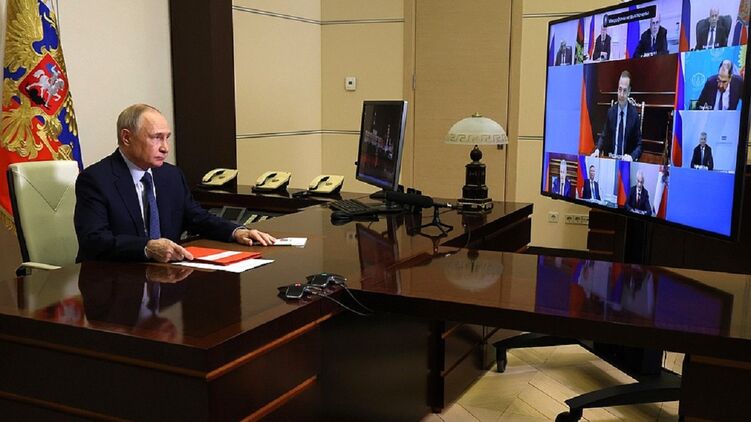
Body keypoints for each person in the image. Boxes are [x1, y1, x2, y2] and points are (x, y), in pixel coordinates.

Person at [74, 104, 276, 263]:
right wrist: (146, 247)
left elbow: (196, 217)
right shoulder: (96, 179)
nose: (165, 148)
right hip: (113, 280)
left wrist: (236, 231)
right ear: (126, 137)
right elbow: (94, 240)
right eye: (156, 138)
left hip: (166, 278)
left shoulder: (170, 175)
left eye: (167, 138)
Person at [592, 70, 643, 161]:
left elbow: (639, 145)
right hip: (611, 160)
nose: (621, 94)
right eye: (620, 89)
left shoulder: (634, 115)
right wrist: (597, 150)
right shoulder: (611, 112)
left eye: (625, 90)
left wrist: (631, 157)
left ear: (629, 91)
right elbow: (604, 136)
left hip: (625, 162)